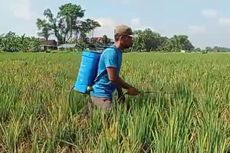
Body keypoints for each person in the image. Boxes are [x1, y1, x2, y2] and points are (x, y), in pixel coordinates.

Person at [89, 25, 140, 111]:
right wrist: (129, 88)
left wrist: (120, 94)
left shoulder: (118, 52)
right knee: (112, 122)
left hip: (107, 94)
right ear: (122, 38)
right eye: (130, 37)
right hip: (101, 96)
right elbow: (113, 78)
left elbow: (115, 77)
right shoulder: (111, 53)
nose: (132, 40)